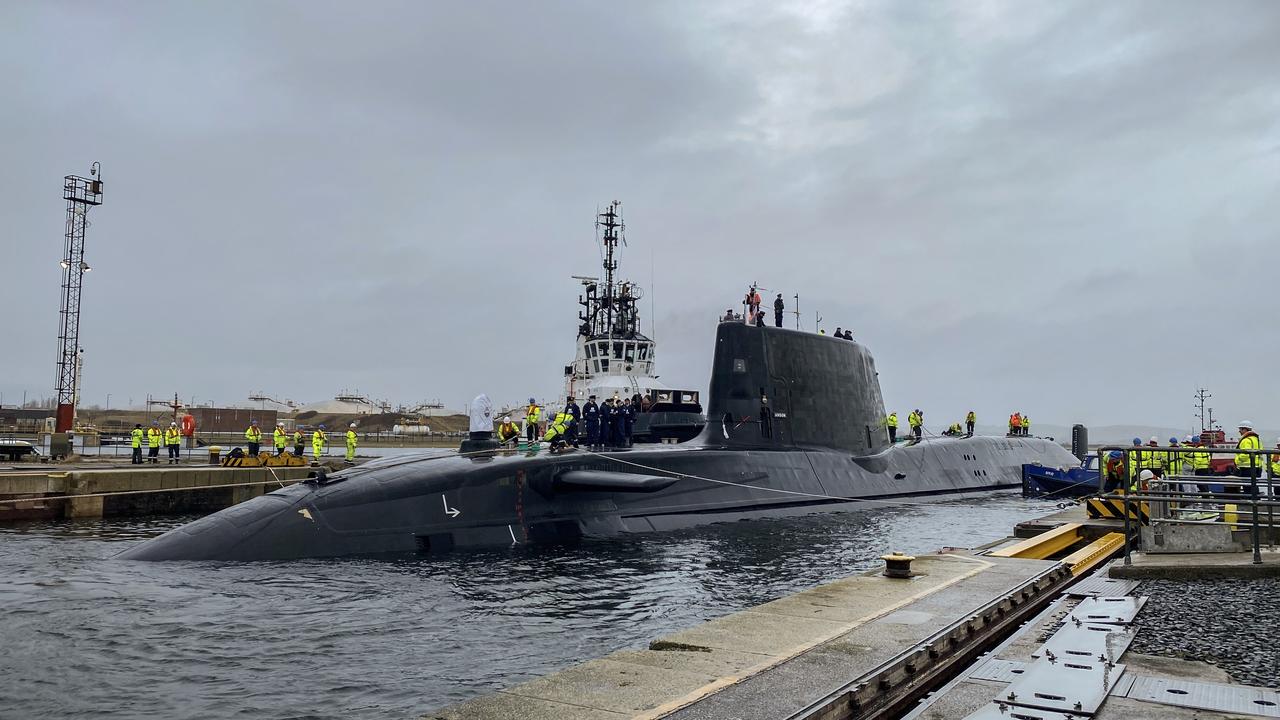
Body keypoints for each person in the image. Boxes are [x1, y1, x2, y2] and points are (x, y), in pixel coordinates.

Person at [1234, 420, 1262, 489]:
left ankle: (1249, 499)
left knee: (1247, 487)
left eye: (1240, 429)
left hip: (1247, 468)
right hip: (1257, 467)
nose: (1239, 431)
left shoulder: (1245, 440)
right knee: (1254, 487)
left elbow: (1244, 455)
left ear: (1245, 429)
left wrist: (1237, 460)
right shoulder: (1257, 440)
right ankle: (1255, 499)